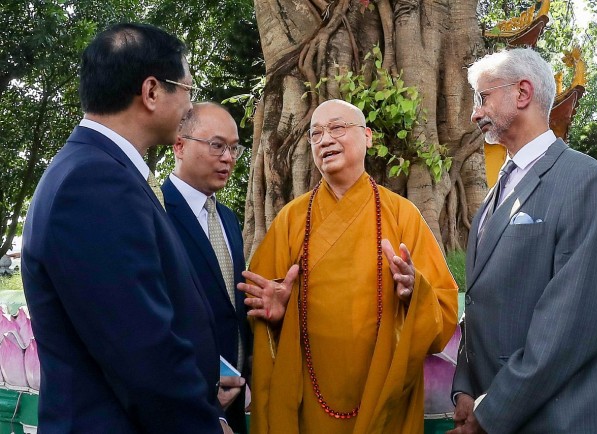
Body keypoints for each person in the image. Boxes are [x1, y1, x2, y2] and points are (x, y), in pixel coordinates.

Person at [21, 23, 232, 434]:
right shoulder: (94, 184)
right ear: (152, 92)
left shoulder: (99, 169)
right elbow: (141, 350)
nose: (190, 104)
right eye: (186, 88)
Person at [238, 99, 458, 434]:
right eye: (316, 134)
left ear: (367, 136)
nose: (325, 139)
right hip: (308, 403)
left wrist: (417, 293)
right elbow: (260, 309)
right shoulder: (290, 221)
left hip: (385, 396)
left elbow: (442, 309)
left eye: (338, 127)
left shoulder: (403, 216)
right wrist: (280, 315)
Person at [448, 48, 597, 434]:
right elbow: (479, 303)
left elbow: (570, 324)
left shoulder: (586, 181)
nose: (475, 113)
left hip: (562, 420)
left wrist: (491, 412)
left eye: (483, 97)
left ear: (522, 93)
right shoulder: (494, 195)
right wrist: (464, 389)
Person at [162, 102, 250, 433]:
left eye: (234, 148)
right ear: (180, 145)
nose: (227, 157)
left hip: (235, 397)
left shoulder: (228, 218)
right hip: (185, 401)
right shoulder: (155, 212)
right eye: (216, 145)